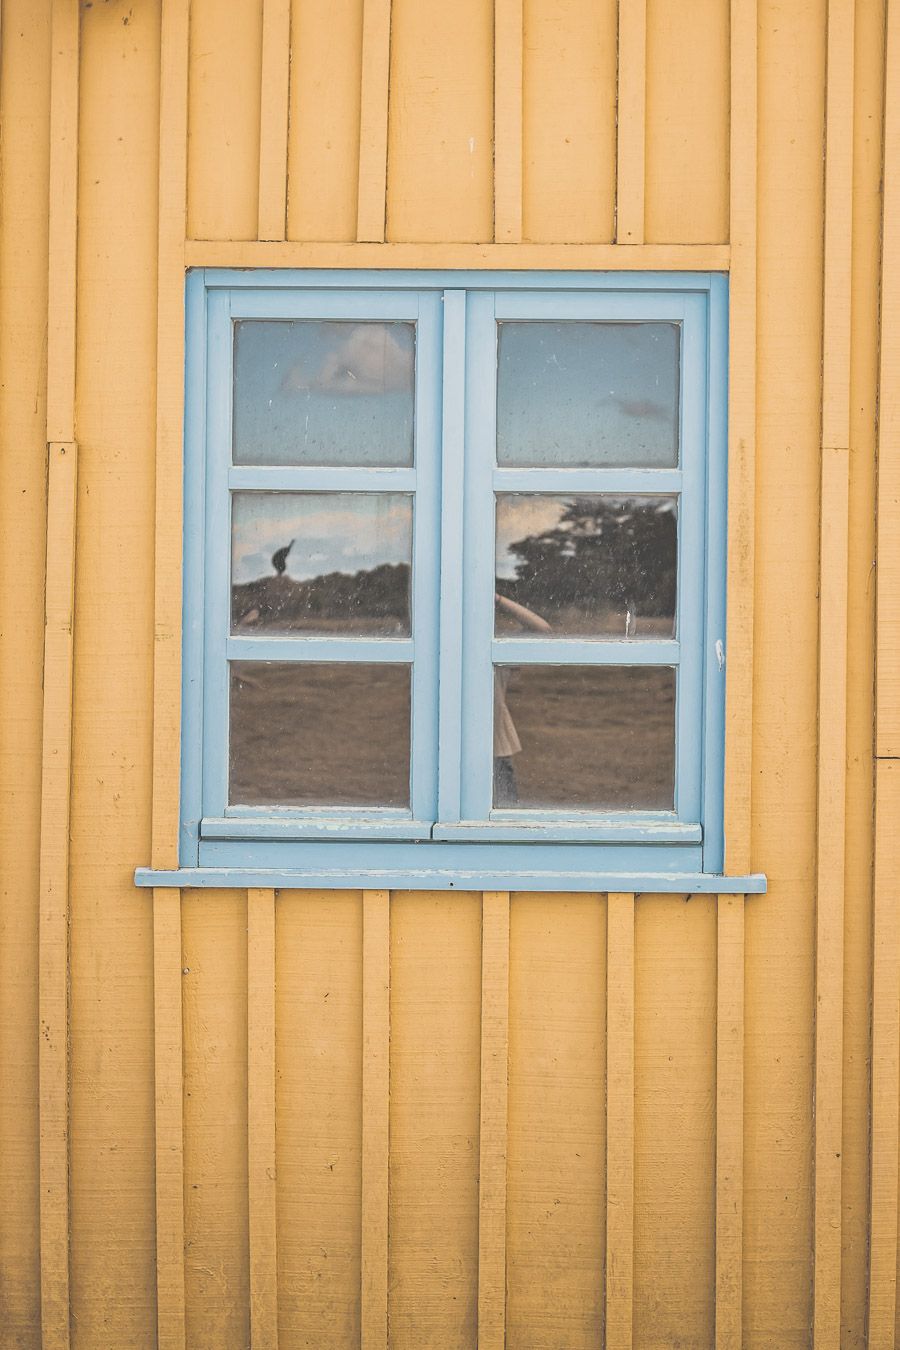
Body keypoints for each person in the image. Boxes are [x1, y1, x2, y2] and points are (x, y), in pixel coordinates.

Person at [493, 592, 551, 805]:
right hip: (449, 748)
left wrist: (498, 599)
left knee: (503, 820)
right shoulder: (444, 647)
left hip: (494, 749)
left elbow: (542, 629)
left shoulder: (494, 646)